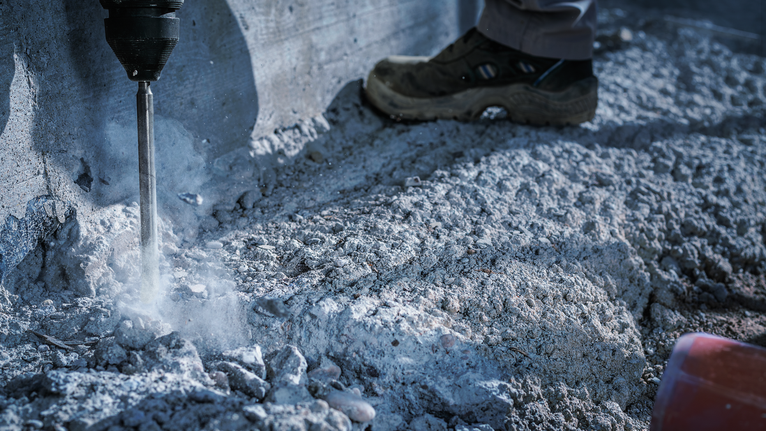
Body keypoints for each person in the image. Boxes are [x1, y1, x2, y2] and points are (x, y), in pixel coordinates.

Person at [364, 0, 598, 126]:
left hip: (521, 39)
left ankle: (518, 41)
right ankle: (556, 54)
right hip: (565, 57)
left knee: (523, 33)